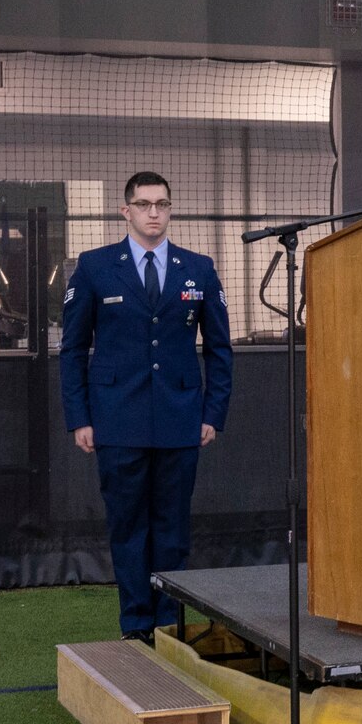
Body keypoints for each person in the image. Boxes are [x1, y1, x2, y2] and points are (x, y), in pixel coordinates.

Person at [59, 172, 232, 641]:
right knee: (128, 528)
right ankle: (136, 625)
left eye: (161, 204)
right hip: (117, 422)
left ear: (170, 209)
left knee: (172, 531)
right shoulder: (95, 267)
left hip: (180, 421)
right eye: (143, 204)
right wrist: (80, 419)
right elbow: (72, 350)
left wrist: (212, 414)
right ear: (126, 211)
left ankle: (167, 624)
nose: (153, 212)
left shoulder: (198, 267)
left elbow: (219, 348)